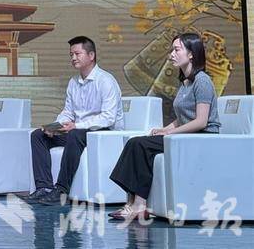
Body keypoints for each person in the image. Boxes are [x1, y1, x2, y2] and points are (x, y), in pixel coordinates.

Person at [108, 32, 220, 222]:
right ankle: (134, 203)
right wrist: (165, 129)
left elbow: (201, 121)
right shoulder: (185, 82)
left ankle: (139, 205)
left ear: (191, 54)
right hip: (186, 136)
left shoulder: (202, 81)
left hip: (202, 137)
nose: (171, 54)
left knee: (139, 144)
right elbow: (183, 117)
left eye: (177, 50)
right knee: (136, 142)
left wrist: (171, 133)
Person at [27, 36, 124, 205]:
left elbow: (108, 118)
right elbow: (68, 112)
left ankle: (61, 190)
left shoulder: (106, 81)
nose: (73, 58)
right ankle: (44, 187)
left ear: (91, 55)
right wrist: (55, 126)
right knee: (38, 135)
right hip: (79, 132)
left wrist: (76, 126)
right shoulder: (73, 82)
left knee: (75, 134)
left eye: (77, 54)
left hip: (104, 134)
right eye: (71, 54)